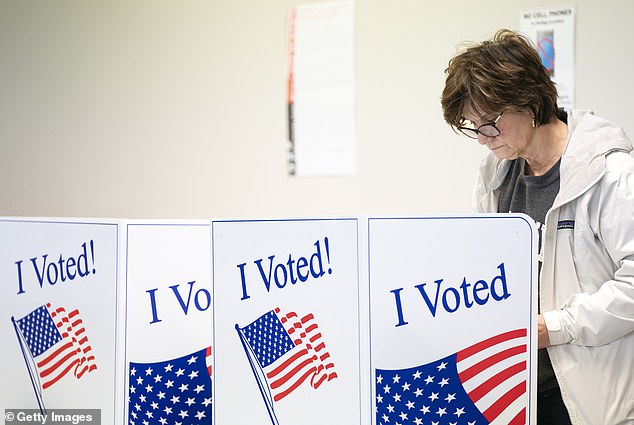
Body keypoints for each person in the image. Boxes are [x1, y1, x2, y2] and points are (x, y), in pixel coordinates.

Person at [440, 29, 634, 425]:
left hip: (590, 393)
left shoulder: (609, 173)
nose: (481, 138)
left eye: (489, 123)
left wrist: (553, 327)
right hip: (519, 386)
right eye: (471, 125)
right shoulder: (495, 174)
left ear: (528, 101)